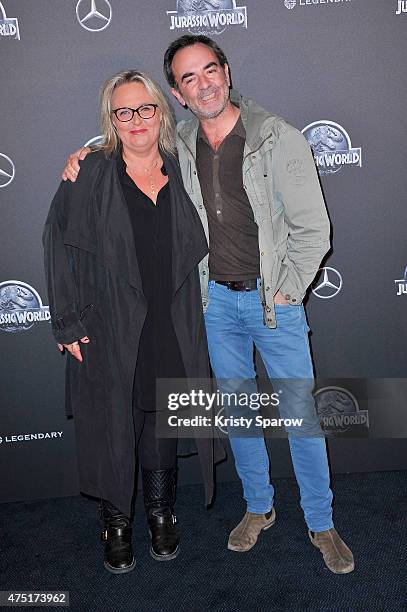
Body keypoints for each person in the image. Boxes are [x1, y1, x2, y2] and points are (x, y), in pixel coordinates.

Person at [61, 36, 354, 574]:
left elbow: (314, 228)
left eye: (209, 70)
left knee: (301, 417)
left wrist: (287, 289)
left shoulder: (276, 137)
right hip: (212, 306)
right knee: (239, 416)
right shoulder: (179, 145)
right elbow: (124, 163)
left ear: (226, 70)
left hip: (274, 304)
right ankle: (259, 508)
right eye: (188, 78)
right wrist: (82, 157)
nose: (204, 84)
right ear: (176, 92)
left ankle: (321, 521)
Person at [44, 69, 224, 574]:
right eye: (123, 112)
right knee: (113, 423)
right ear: (112, 120)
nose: (136, 120)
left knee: (161, 417)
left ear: (161, 112)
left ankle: (162, 513)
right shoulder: (92, 173)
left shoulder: (182, 167)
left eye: (145, 108)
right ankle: (116, 522)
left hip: (171, 320)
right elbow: (56, 243)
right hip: (109, 323)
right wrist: (66, 322)